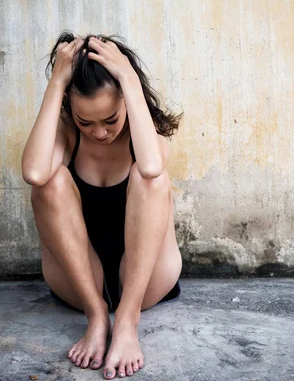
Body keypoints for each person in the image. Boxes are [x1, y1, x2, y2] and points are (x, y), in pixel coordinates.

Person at [21, 32, 183, 379]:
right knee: (48, 184)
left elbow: (152, 168)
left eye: (110, 119)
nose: (99, 132)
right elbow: (34, 172)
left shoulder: (144, 134)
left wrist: (127, 76)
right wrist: (57, 82)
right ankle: (97, 316)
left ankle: (127, 320)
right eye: (86, 122)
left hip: (145, 279)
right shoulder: (66, 133)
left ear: (126, 99)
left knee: (150, 177)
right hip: (80, 282)